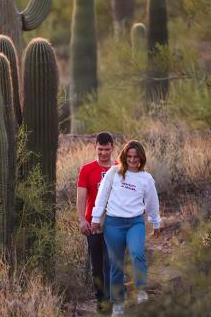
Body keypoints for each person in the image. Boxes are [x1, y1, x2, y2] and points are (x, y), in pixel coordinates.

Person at [91, 140, 161, 316]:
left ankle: (141, 290)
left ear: (141, 158)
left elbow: (152, 202)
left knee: (137, 253)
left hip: (135, 223)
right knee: (116, 265)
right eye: (129, 156)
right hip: (113, 224)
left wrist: (156, 222)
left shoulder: (146, 179)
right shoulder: (114, 172)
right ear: (124, 156)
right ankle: (118, 304)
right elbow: (102, 195)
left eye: (135, 157)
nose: (132, 160)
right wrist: (96, 217)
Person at [77, 132, 114, 313]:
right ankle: (100, 301)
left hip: (114, 224)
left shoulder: (119, 168)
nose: (104, 153)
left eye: (107, 149)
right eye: (100, 149)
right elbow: (81, 196)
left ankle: (110, 301)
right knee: (96, 266)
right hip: (93, 225)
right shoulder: (87, 169)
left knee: (111, 264)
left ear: (112, 148)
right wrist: (82, 220)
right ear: (95, 148)